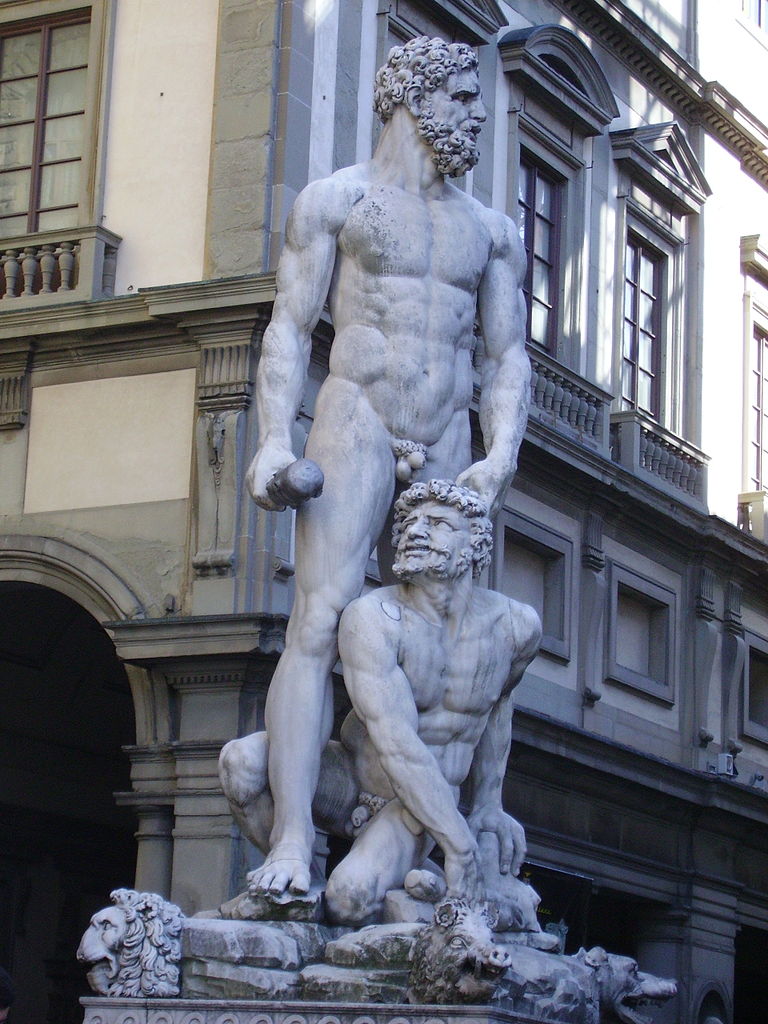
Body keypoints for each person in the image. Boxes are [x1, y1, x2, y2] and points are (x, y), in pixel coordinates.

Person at [243, 35, 530, 895]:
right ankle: (294, 842)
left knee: (458, 634)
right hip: (357, 418)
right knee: (318, 624)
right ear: (413, 97)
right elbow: (289, 330)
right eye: (465, 99)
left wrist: (502, 456)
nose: (479, 116)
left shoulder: (492, 230)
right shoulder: (337, 200)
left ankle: (462, 827)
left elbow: (508, 356)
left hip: (448, 437)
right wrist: (272, 441)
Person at [220, 480, 542, 926]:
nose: (416, 531)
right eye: (409, 522)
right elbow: (396, 743)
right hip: (351, 778)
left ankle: (396, 883)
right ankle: (300, 895)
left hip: (417, 804)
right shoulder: (373, 617)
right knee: (241, 761)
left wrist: (489, 803)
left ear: (476, 544)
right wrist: (462, 848)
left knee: (351, 899)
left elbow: (497, 705)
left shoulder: (515, 626)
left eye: (438, 523)